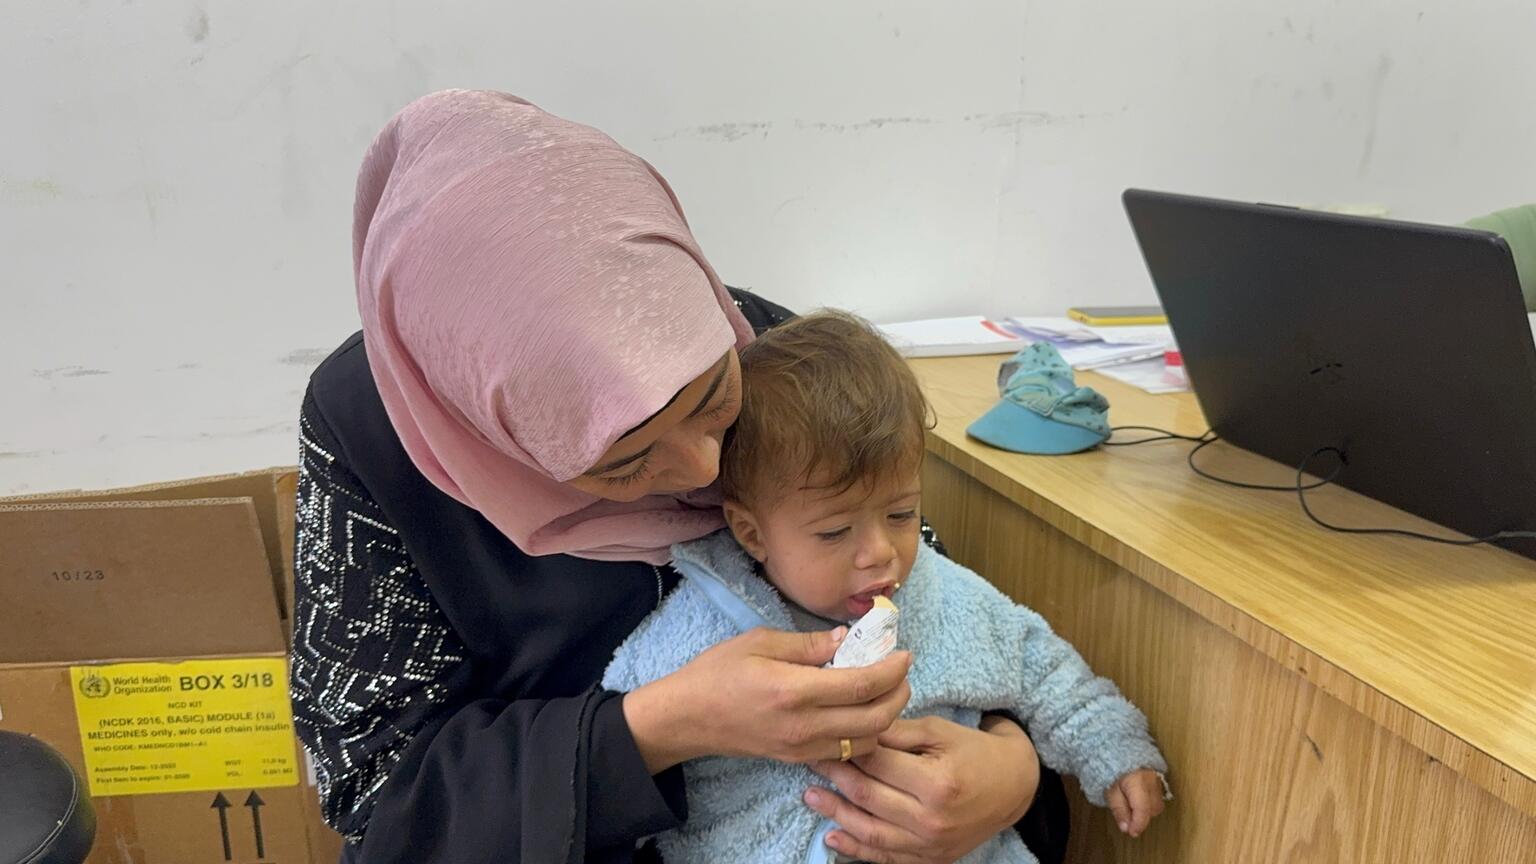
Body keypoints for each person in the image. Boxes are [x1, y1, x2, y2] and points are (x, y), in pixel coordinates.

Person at [289, 89, 1067, 864]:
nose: (704, 472)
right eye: (625, 460)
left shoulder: (765, 350)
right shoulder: (372, 435)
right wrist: (658, 727)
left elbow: (927, 595)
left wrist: (1011, 767)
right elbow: (379, 798)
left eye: (713, 401)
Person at [603, 311, 1169, 863]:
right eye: (834, 531)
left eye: (901, 515)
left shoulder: (945, 596)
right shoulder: (707, 624)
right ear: (753, 533)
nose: (880, 553)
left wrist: (1115, 752)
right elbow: (618, 736)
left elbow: (1044, 669)